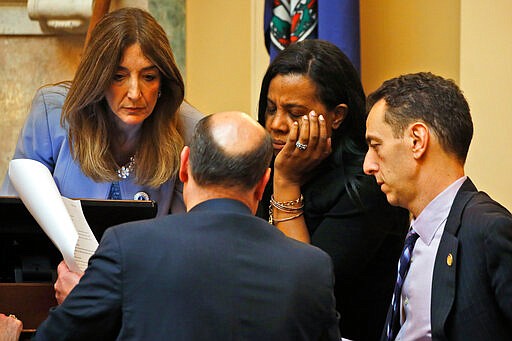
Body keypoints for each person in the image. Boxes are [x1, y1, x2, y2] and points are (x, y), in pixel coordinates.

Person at [32, 111, 341, 340]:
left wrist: (79, 306)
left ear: (183, 166)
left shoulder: (128, 248)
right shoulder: (311, 268)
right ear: (263, 184)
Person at [256, 39, 410, 341]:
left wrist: (286, 183)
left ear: (337, 116)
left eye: (295, 113)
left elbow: (304, 287)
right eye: (271, 108)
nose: (276, 124)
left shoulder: (368, 183)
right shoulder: (267, 164)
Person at [1, 7, 203, 216]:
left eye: (149, 77)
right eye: (118, 76)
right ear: (99, 79)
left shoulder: (190, 130)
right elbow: (13, 216)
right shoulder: (51, 113)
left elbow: (186, 233)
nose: (134, 93)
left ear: (162, 82)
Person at [363, 72, 512, 340]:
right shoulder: (413, 234)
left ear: (417, 141)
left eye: (376, 146)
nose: (368, 165)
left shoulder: (488, 229)